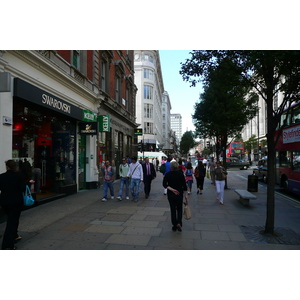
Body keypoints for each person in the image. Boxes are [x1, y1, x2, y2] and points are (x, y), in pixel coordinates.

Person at [0, 160, 27, 250]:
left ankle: (15, 236)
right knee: (12, 223)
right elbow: (22, 188)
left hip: (5, 202)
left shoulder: (2, 176)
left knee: (11, 220)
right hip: (16, 202)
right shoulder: (19, 176)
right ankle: (7, 245)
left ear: (7, 167)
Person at [163, 161, 188, 232]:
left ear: (171, 167)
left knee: (173, 209)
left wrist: (172, 189)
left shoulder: (168, 174)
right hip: (179, 194)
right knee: (179, 209)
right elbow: (185, 186)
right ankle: (179, 222)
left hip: (171, 194)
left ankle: (174, 224)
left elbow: (164, 184)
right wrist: (186, 196)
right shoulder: (181, 174)